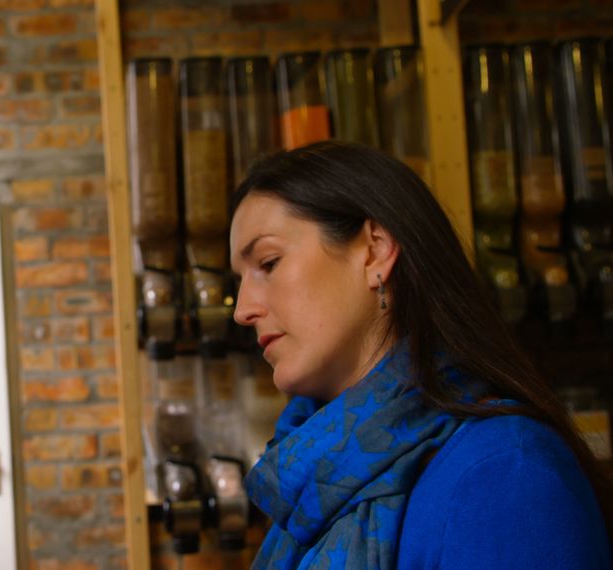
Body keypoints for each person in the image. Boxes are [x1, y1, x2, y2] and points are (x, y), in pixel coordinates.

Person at [229, 141, 612, 569]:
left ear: (374, 250)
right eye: (240, 280)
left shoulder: (502, 474)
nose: (244, 309)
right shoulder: (311, 482)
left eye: (269, 262)